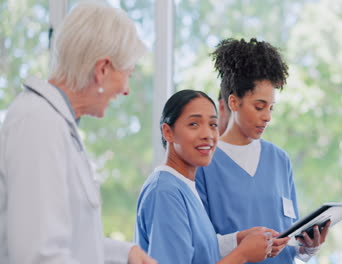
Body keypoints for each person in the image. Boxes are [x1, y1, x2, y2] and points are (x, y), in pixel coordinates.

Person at [0, 2, 156, 263]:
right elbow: (40, 255)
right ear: (102, 69)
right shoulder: (38, 124)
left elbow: (72, 239)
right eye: (127, 74)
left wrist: (124, 253)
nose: (126, 89)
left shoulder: (55, 124)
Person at [195, 38, 331, 264]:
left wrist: (309, 248)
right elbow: (199, 245)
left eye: (271, 108)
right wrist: (245, 244)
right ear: (233, 102)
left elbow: (290, 243)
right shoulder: (204, 161)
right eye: (259, 107)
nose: (267, 116)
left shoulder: (279, 160)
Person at [134, 89, 275, 264]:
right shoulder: (164, 191)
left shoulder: (184, 185)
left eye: (213, 125)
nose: (207, 135)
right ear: (168, 132)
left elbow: (198, 248)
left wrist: (238, 239)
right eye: (194, 124)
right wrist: (242, 254)